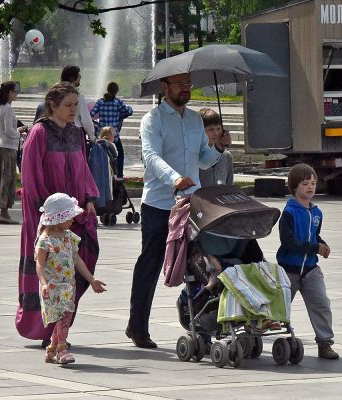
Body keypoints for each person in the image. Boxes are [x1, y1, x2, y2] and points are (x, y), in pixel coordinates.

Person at [126, 72, 230, 348]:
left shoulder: (196, 119)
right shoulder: (153, 120)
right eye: (180, 84)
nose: (186, 89)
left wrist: (218, 147)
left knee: (199, 264)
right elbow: (151, 157)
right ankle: (137, 327)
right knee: (151, 262)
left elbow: (204, 161)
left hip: (191, 204)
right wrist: (174, 178)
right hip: (159, 204)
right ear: (165, 86)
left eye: (189, 84)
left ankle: (200, 324)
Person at [17, 82, 100, 347]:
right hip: (47, 217)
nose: (74, 110)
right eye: (69, 105)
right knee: (49, 270)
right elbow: (31, 177)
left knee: (76, 263)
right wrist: (48, 216)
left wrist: (88, 199)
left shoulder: (76, 134)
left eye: (76, 105)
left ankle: (60, 328)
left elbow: (83, 170)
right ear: (53, 105)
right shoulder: (39, 133)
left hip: (73, 215)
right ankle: (46, 330)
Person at [276, 163, 339, 360]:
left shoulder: (317, 213)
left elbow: (314, 237)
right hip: (290, 269)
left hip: (311, 269)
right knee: (280, 307)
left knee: (321, 303)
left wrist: (322, 245)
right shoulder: (289, 213)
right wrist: (315, 248)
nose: (310, 187)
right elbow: (289, 242)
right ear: (294, 186)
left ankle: (325, 343)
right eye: (305, 184)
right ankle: (268, 335)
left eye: (313, 183)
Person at [35, 193, 106, 364]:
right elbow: (40, 264)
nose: (73, 220)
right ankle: (62, 349)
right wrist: (44, 284)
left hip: (68, 285)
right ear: (58, 219)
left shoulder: (68, 237)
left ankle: (52, 348)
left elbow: (77, 260)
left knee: (64, 316)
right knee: (62, 317)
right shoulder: (45, 241)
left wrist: (91, 279)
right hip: (52, 286)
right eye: (69, 217)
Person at [0, 81, 26, 224]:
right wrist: (20, 131)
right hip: (8, 147)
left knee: (1, 179)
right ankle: (4, 213)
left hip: (0, 145)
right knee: (7, 179)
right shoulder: (8, 109)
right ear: (10, 92)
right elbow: (9, 131)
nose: (17, 94)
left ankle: (3, 211)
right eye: (16, 91)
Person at [90, 82, 133, 178]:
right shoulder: (117, 102)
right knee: (120, 152)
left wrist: (96, 126)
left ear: (107, 89)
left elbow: (91, 114)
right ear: (116, 91)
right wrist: (128, 109)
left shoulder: (100, 102)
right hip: (114, 135)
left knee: (99, 152)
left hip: (102, 134)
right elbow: (129, 111)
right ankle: (120, 174)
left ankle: (99, 172)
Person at [198, 108, 234, 187]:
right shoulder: (195, 154)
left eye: (218, 128)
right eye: (211, 129)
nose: (216, 133)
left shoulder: (227, 156)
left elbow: (229, 185)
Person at [61, 65, 96, 142]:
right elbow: (85, 119)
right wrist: (92, 136)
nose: (80, 76)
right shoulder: (77, 96)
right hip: (74, 133)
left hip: (57, 132)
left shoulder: (56, 93)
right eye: (78, 74)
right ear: (73, 78)